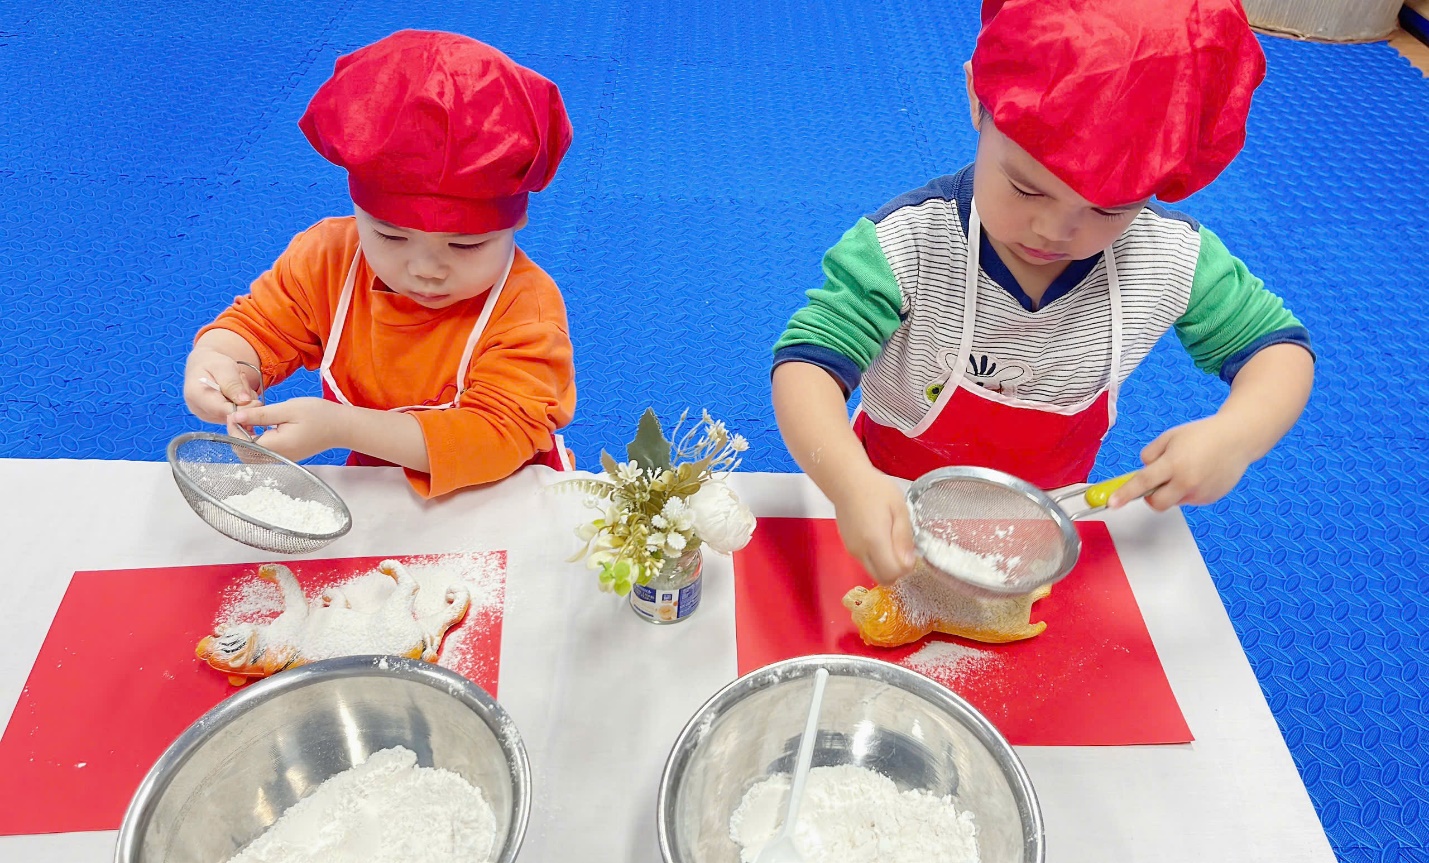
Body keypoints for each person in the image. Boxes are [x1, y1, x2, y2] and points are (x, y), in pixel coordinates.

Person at [771, 0, 1315, 584]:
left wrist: (1236, 436)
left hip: (1037, 532)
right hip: (889, 510)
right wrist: (850, 483)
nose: (1055, 231)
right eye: (1027, 189)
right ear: (977, 99)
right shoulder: (907, 245)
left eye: (1108, 210)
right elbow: (806, 367)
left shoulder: (1168, 257)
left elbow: (1278, 351)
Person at [182, 30, 576, 498]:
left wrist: (344, 427)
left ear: (517, 222)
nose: (426, 269)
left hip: (503, 492)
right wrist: (221, 362)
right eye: (391, 236)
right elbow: (260, 327)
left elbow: (497, 435)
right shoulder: (327, 259)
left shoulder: (526, 309)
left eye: (465, 245)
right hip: (384, 487)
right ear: (359, 212)